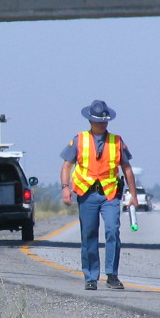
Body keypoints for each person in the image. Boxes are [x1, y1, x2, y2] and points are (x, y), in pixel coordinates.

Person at [60, 99, 138, 290]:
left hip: (110, 193)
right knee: (89, 234)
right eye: (98, 120)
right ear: (90, 121)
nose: (102, 123)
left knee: (112, 230)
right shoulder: (79, 140)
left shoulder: (117, 141)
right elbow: (67, 166)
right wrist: (65, 187)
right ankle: (90, 276)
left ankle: (112, 275)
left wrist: (133, 195)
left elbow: (127, 169)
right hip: (87, 194)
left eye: (105, 120)